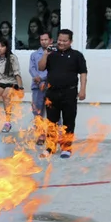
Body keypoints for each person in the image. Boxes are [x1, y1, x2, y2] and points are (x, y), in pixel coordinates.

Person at [38, 29, 87, 159]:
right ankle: (50, 147)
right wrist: (45, 54)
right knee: (51, 122)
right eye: (60, 40)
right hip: (52, 93)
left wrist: (82, 90)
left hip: (69, 93)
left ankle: (66, 147)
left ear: (70, 41)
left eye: (65, 41)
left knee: (68, 121)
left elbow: (83, 73)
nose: (62, 43)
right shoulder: (51, 54)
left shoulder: (77, 55)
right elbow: (41, 67)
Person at [0, 37, 23, 133]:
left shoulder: (12, 57)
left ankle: (8, 122)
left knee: (6, 95)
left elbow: (17, 73)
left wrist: (21, 87)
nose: (0, 48)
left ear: (7, 47)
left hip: (12, 82)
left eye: (2, 46)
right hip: (1, 81)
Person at [29, 31, 53, 145]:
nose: (43, 42)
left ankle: (53, 135)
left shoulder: (54, 54)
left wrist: (42, 78)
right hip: (37, 87)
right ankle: (40, 136)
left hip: (50, 86)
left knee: (53, 112)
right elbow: (32, 69)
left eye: (46, 39)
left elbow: (51, 70)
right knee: (37, 113)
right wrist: (37, 79)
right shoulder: (34, 55)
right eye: (41, 40)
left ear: (51, 40)